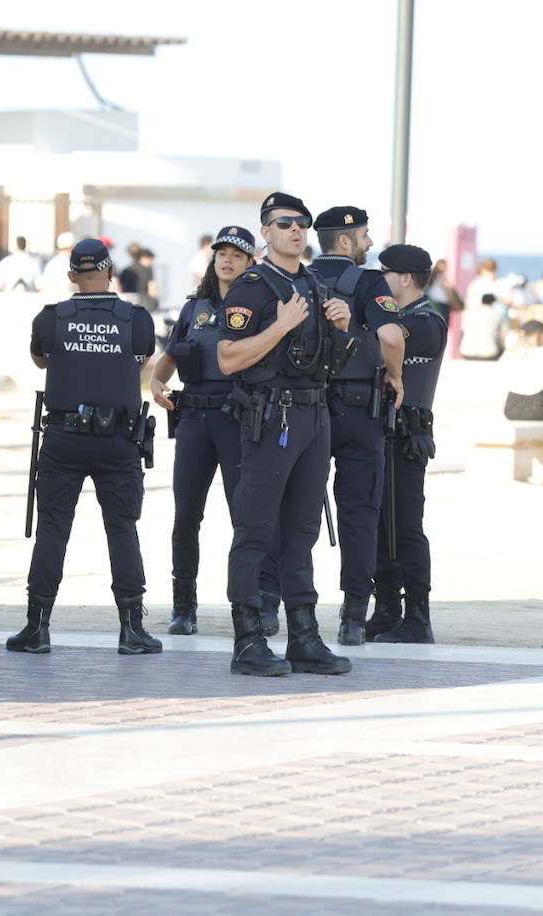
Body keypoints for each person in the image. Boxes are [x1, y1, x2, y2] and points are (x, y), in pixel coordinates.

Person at [216, 192, 354, 677]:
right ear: (266, 233)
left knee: (302, 532)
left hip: (315, 418)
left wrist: (342, 326)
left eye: (301, 223)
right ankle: (248, 639)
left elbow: (330, 361)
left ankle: (304, 638)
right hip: (272, 417)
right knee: (254, 529)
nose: (295, 229)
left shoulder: (314, 286)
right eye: (284, 223)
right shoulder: (252, 288)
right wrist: (280, 327)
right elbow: (228, 358)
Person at [9, 239, 161, 656]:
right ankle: (131, 630)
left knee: (53, 530)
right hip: (118, 440)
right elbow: (140, 361)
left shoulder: (52, 318)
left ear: (71, 275)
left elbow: (41, 359)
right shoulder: (136, 319)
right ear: (111, 272)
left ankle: (36, 628)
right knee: (122, 530)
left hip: (64, 438)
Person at [301, 205, 404, 645]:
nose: (369, 242)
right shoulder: (369, 282)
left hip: (305, 408)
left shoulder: (297, 279)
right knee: (360, 511)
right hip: (360, 411)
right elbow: (392, 336)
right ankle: (353, 616)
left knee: (295, 511)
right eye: (364, 235)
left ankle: (283, 607)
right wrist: (395, 375)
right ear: (344, 241)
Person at [149, 227, 257, 635]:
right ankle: (183, 606)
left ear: (251, 263)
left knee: (244, 516)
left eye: (237, 255)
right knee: (186, 515)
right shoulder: (196, 307)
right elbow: (173, 354)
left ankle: (249, 604)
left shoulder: (259, 307)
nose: (227, 260)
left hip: (237, 419)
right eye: (221, 253)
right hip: (194, 418)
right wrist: (157, 384)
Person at [369, 244, 447, 643]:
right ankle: (386, 609)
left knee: (405, 527)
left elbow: (386, 343)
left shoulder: (425, 321)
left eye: (383, 274)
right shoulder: (404, 318)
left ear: (404, 278)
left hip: (407, 435)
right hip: (383, 432)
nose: (378, 281)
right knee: (380, 524)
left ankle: (418, 615)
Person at [459, 292, 505, 360]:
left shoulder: (468, 313)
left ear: (481, 301)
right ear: (493, 303)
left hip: (466, 352)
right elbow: (502, 336)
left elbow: (462, 333)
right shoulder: (498, 314)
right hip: (489, 353)